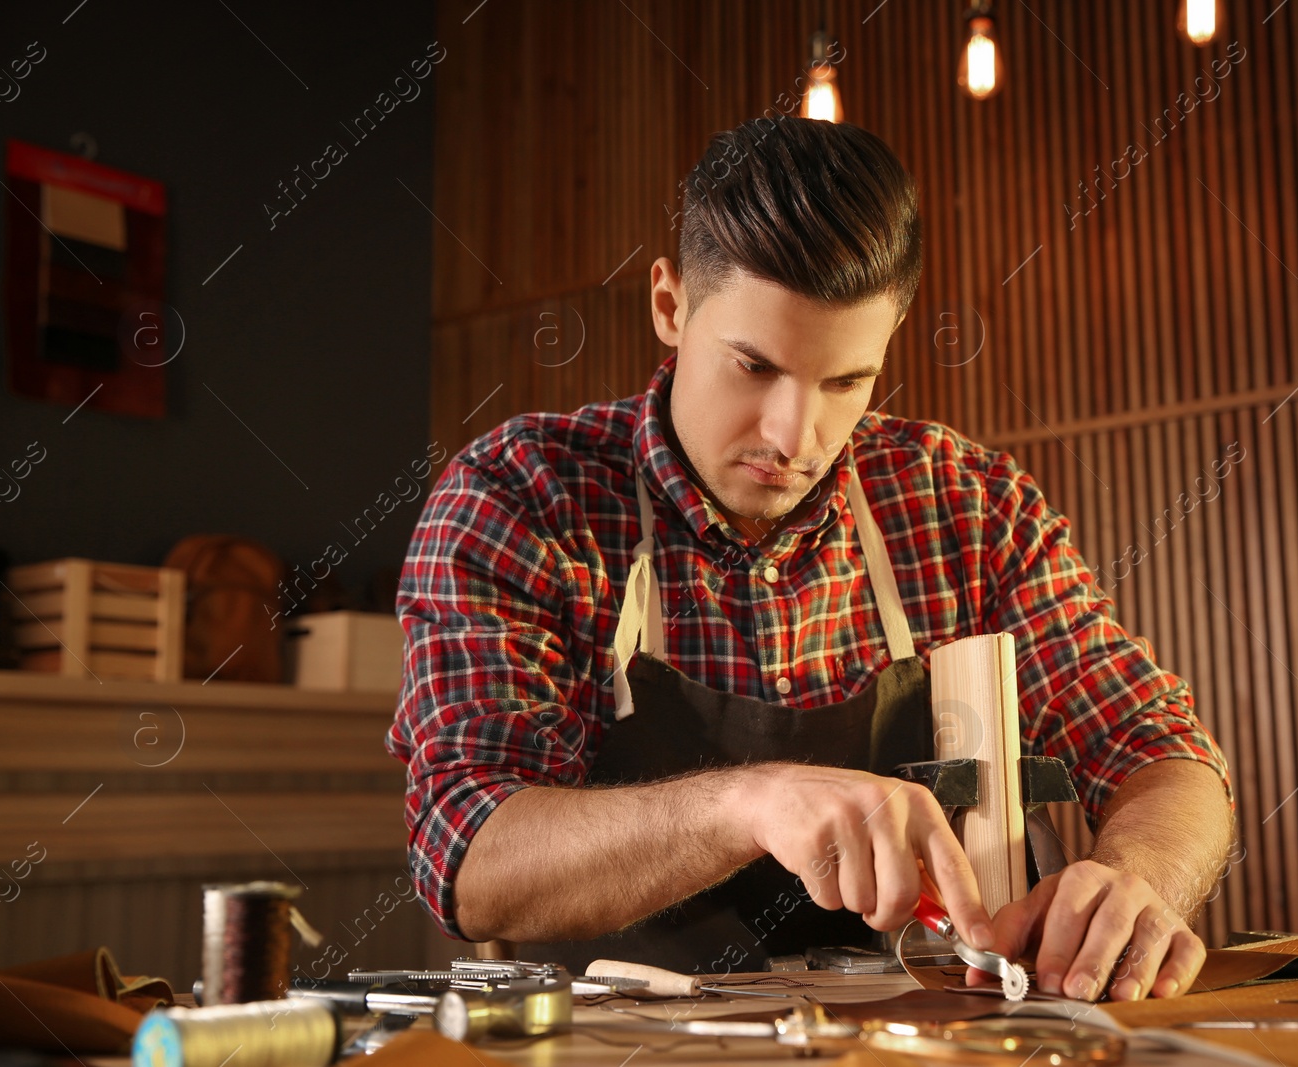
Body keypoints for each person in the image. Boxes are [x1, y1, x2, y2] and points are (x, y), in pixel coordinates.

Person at [387, 116, 1234, 1003]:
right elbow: (468, 854)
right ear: (670, 306)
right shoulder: (522, 494)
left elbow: (1159, 748)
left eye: (845, 383)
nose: (796, 438)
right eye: (753, 368)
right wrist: (747, 804)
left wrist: (1137, 877)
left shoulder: (966, 504)